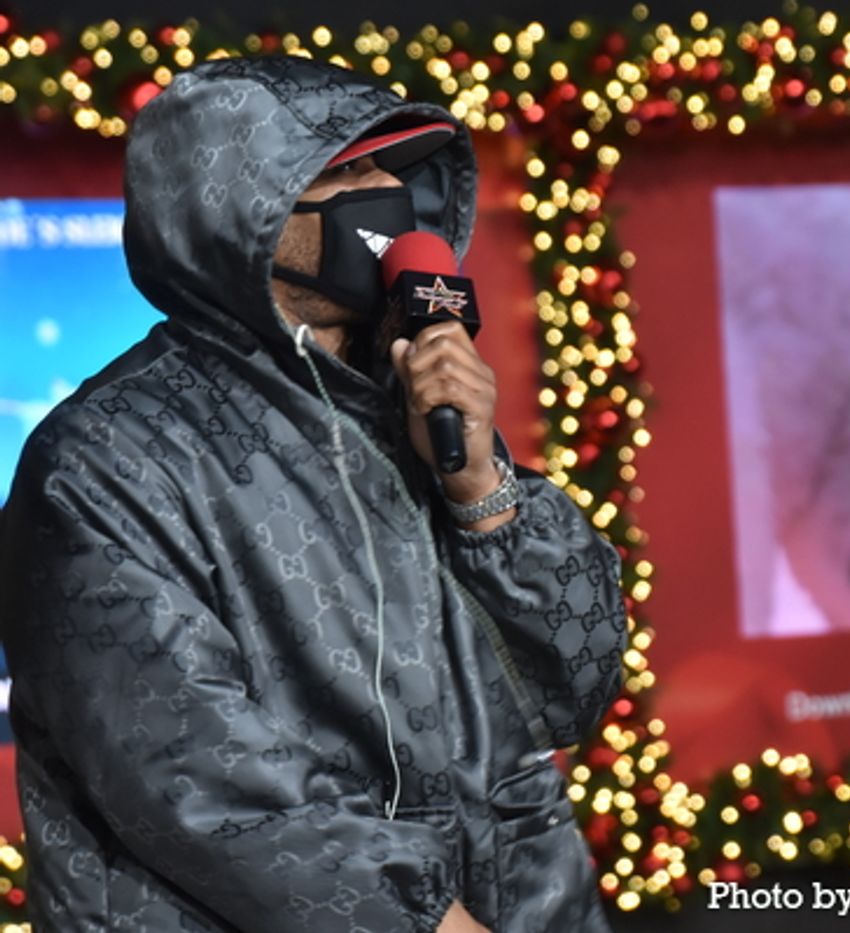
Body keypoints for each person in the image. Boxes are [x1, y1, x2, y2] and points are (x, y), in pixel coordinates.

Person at [0, 56, 626, 932]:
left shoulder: (415, 404)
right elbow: (194, 773)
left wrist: (480, 485)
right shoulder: (103, 459)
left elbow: (577, 684)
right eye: (344, 171)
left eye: (393, 169)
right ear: (230, 213)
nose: (387, 194)